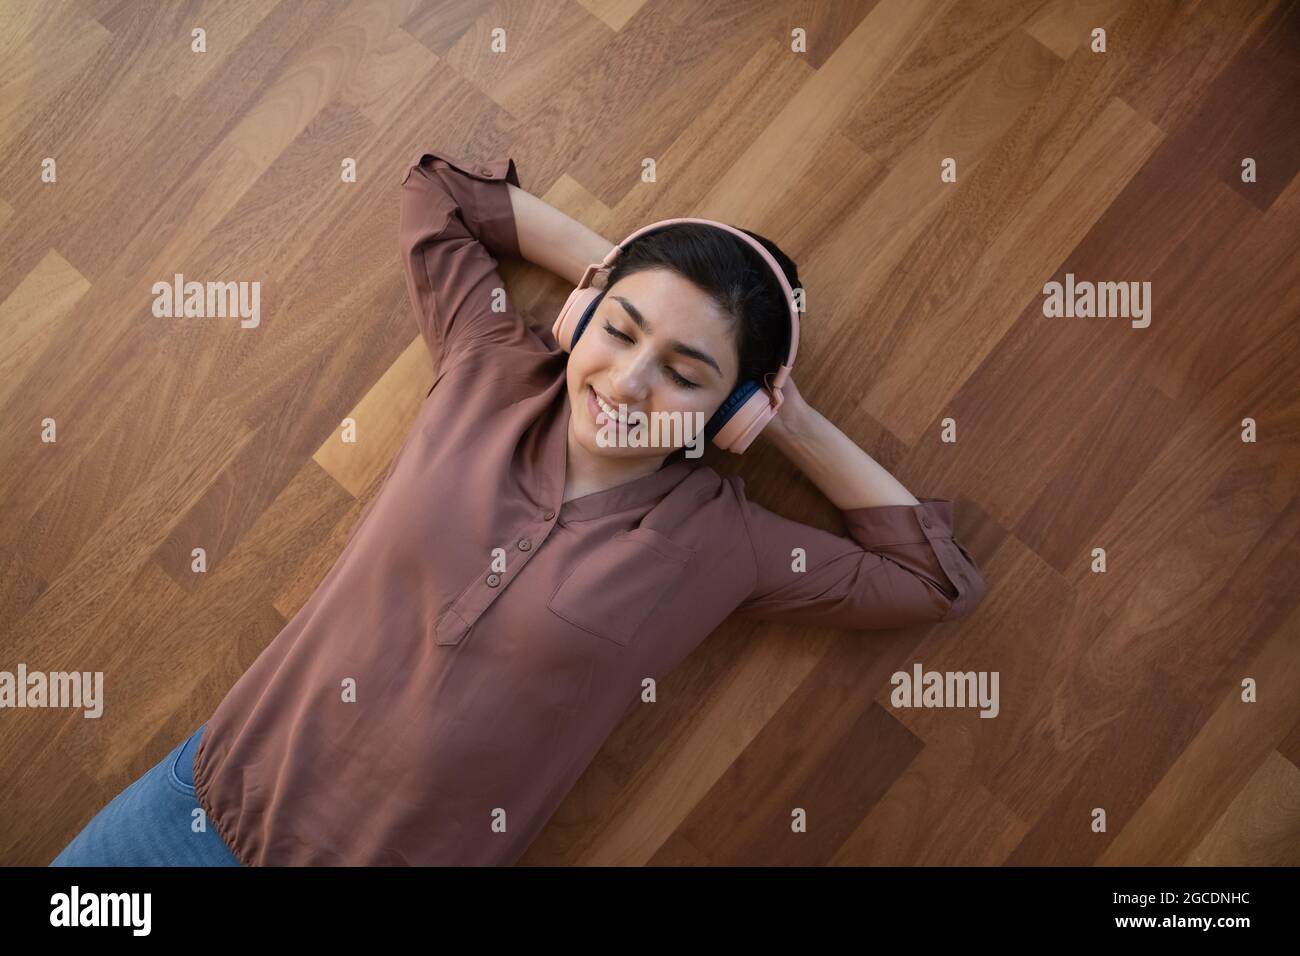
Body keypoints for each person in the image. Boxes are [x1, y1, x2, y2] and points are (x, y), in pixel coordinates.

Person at [50, 148, 986, 867]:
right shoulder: (488, 368)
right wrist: (617, 276)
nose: (627, 382)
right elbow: (439, 190)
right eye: (618, 332)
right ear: (583, 317)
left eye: (686, 375)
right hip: (182, 824)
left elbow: (936, 580)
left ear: (732, 412)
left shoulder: (726, 544)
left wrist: (786, 417)